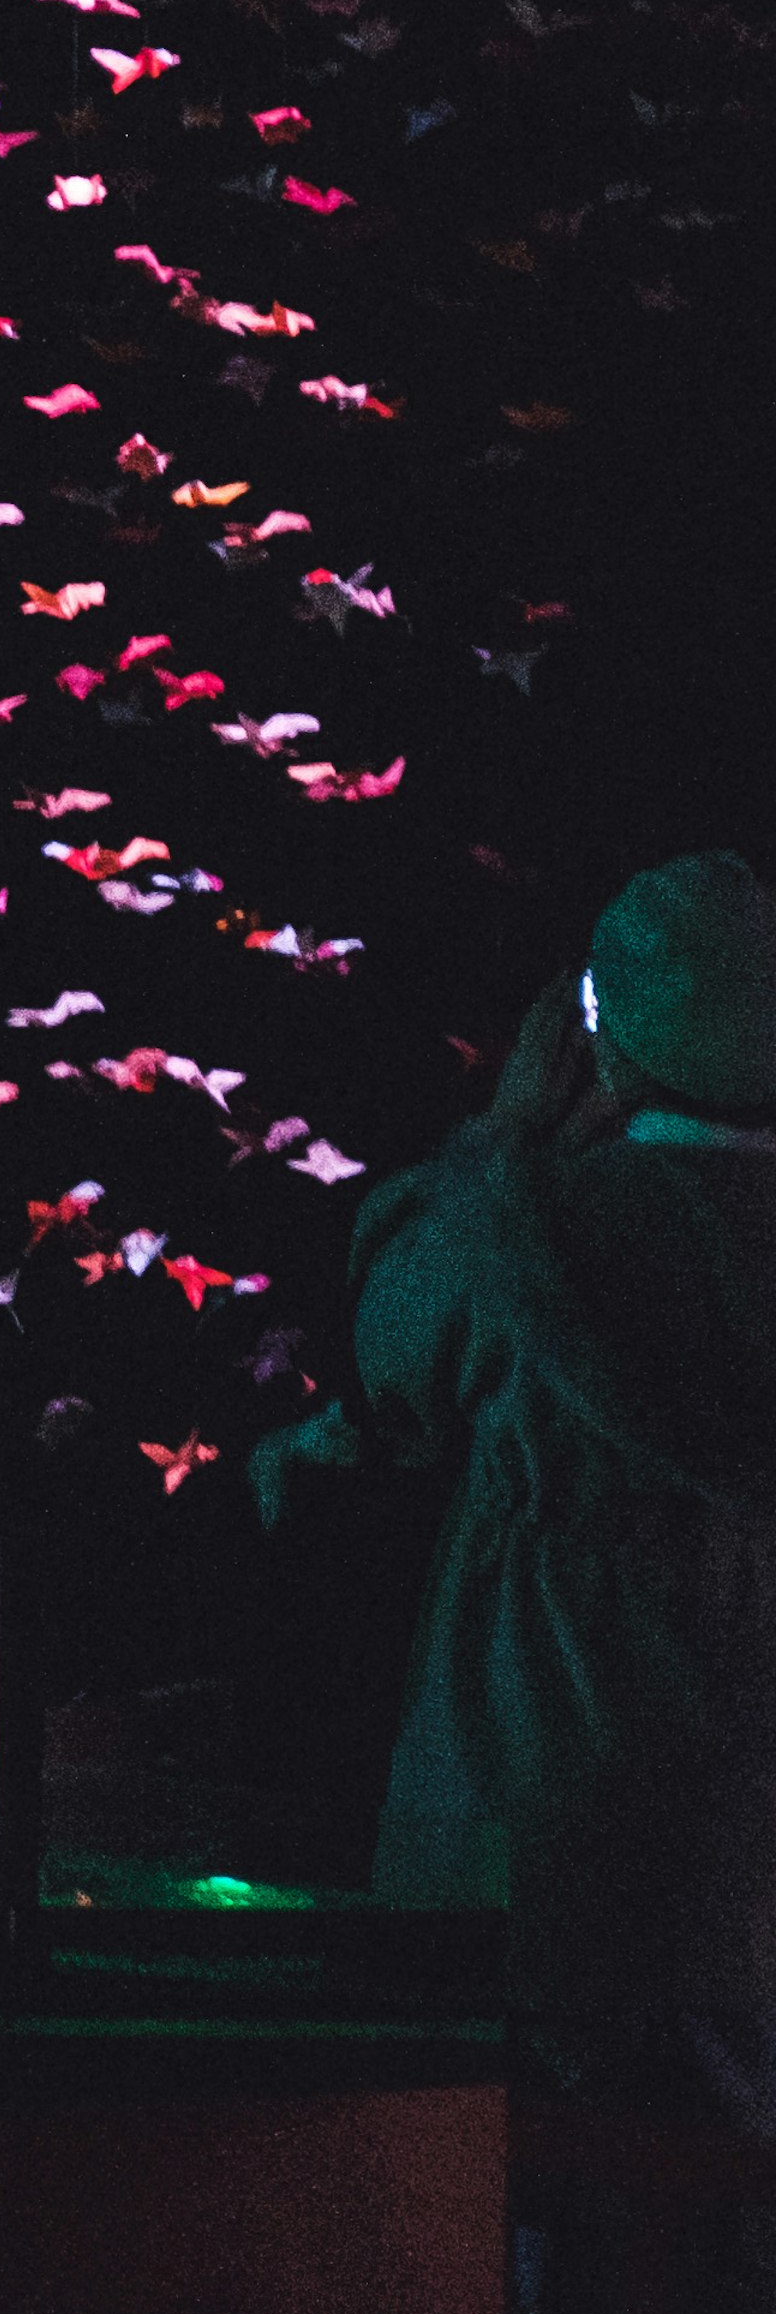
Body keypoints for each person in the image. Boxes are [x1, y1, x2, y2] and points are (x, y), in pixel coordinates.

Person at [347, 853, 776, 2135]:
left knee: (533, 2211)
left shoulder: (525, 1228)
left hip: (539, 1797)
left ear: (604, 1039)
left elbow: (388, 1357)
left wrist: (505, 1140)